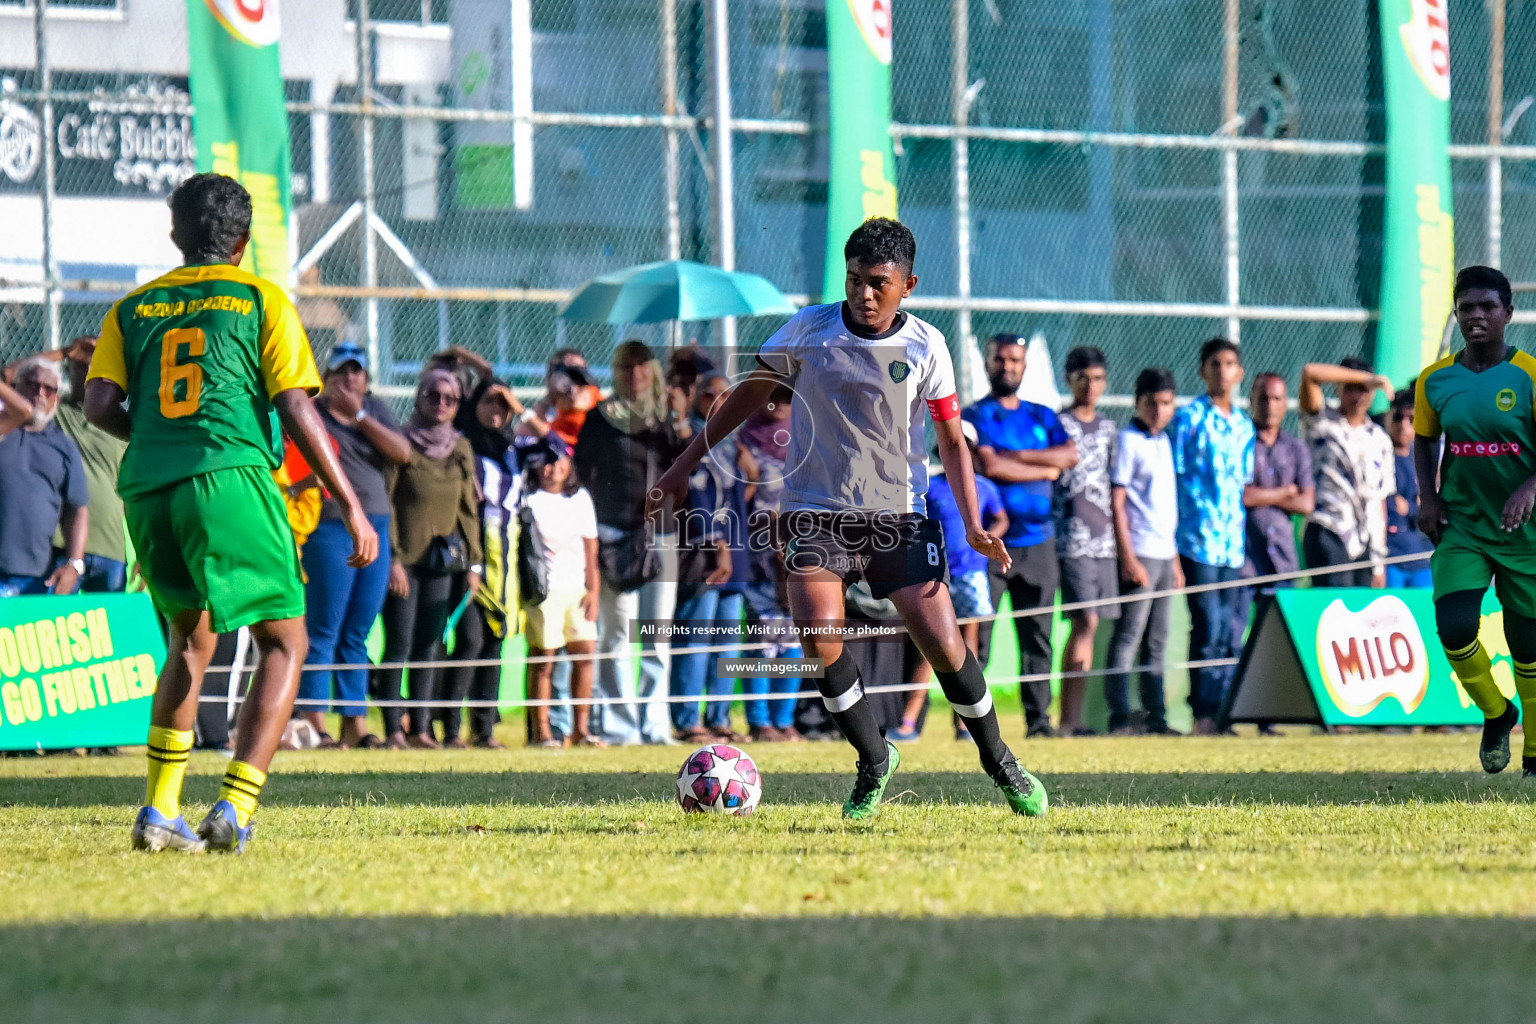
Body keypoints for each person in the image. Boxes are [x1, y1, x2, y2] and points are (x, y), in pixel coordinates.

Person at [650, 217, 1048, 820]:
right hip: (816, 513)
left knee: (943, 642)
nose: (864, 293)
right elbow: (747, 396)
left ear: (907, 285)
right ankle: (874, 760)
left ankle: (1003, 764)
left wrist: (971, 524)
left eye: (879, 283)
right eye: (855, 279)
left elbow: (952, 443)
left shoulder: (926, 346)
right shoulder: (809, 330)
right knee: (818, 639)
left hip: (898, 517)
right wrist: (683, 465)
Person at [83, 172, 378, 853]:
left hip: (150, 488)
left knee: (190, 641)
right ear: (242, 241)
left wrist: (161, 437)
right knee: (287, 640)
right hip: (230, 478)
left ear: (175, 235)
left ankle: (159, 810)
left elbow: (98, 406)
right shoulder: (257, 299)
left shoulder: (131, 308)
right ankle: (236, 807)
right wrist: (351, 505)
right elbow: (298, 406)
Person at [1413, 265, 1536, 776]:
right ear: (1457, 315)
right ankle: (1496, 711)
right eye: (1467, 308)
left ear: (1508, 313)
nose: (1477, 316)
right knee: (1456, 627)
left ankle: (1534, 754)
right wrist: (1428, 496)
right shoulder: (1434, 379)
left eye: (1488, 307)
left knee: (1529, 652)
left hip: (1523, 531)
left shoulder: (1529, 373)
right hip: (1463, 525)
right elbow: (1424, 438)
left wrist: (1530, 486)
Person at [296, 341, 412, 749]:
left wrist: (360, 416)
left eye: (356, 372)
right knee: (324, 627)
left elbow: (403, 454)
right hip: (329, 526)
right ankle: (315, 724)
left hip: (376, 525)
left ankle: (354, 723)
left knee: (358, 631)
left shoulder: (374, 410)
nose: (349, 379)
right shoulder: (310, 412)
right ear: (325, 378)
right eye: (341, 372)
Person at [575, 340, 691, 746]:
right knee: (617, 636)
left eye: (642, 366)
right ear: (617, 371)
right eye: (626, 366)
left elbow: (686, 469)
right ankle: (621, 728)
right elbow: (581, 474)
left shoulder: (666, 419)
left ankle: (656, 727)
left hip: (659, 535)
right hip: (612, 536)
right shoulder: (600, 418)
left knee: (657, 637)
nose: (635, 374)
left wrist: (678, 422)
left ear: (654, 370)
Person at [965, 333, 1079, 738]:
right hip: (989, 546)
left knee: (1038, 639)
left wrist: (1017, 459)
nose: (1007, 366)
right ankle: (969, 726)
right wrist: (1044, 467)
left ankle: (1038, 721)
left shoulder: (1042, 415)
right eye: (1000, 359)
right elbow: (990, 466)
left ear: (1024, 366)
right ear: (988, 363)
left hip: (1039, 544)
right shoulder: (975, 415)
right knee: (977, 639)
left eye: (1015, 360)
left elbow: (1069, 457)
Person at [375, 367, 483, 750]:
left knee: (429, 643)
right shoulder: (401, 442)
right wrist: (392, 559)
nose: (440, 404)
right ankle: (392, 729)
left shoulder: (460, 448)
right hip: (403, 562)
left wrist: (475, 564)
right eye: (432, 396)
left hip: (442, 563)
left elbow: (469, 510)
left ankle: (421, 728)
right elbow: (383, 502)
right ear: (419, 397)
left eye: (450, 399)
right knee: (399, 643)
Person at [1169, 338, 1254, 735]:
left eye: (1230, 364)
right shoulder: (1188, 418)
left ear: (1239, 373)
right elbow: (1174, 477)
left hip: (1232, 544)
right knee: (1205, 626)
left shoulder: (1243, 425)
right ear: (1203, 371)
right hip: (1196, 540)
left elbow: (1244, 484)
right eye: (1215, 363)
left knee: (1230, 630)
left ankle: (1225, 711)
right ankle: (1202, 712)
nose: (1223, 371)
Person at [903, 419, 1007, 742]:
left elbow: (1000, 519)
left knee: (969, 647)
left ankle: (965, 725)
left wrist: (989, 541)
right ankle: (908, 721)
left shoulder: (985, 488)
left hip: (973, 575)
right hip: (937, 576)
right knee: (930, 646)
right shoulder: (932, 487)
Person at [670, 373, 756, 743]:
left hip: (735, 557)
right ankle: (688, 718)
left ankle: (719, 715)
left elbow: (739, 496)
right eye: (711, 395)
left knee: (726, 643)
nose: (720, 403)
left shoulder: (730, 443)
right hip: (706, 559)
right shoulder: (694, 439)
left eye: (727, 396)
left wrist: (748, 470)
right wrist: (720, 550)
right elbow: (700, 503)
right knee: (696, 639)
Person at [441, 375, 525, 749]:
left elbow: (556, 448)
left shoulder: (516, 450)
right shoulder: (463, 446)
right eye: (490, 402)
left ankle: (484, 730)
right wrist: (472, 563)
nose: (497, 411)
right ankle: (450, 729)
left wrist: (520, 408)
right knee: (470, 641)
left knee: (495, 642)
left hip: (508, 557)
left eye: (503, 406)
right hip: (473, 554)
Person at [1106, 369, 1181, 735]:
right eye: (1152, 402)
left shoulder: (1165, 441)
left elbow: (1166, 507)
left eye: (1166, 403)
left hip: (1166, 554)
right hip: (1141, 552)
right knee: (1129, 637)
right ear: (1138, 401)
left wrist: (1176, 560)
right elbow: (1117, 502)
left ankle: (1157, 718)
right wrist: (1129, 556)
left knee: (1158, 640)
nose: (1159, 410)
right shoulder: (1128, 440)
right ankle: (1120, 715)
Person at [521, 437, 602, 747]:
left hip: (577, 589)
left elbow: (590, 548)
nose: (553, 467)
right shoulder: (528, 499)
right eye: (546, 460)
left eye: (559, 460)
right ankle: (542, 732)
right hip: (545, 591)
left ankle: (580, 730)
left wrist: (592, 590)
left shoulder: (580, 498)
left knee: (584, 656)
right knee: (544, 660)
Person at [1054, 346, 1118, 736]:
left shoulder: (1110, 429)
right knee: (1085, 621)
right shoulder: (1059, 424)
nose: (1090, 385)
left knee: (1095, 627)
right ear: (1069, 379)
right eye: (1083, 377)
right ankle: (1068, 720)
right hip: (1071, 539)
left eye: (1097, 378)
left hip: (1105, 542)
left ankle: (1081, 718)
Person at [738, 383, 803, 742]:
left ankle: (784, 718)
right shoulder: (745, 438)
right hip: (761, 555)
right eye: (772, 395)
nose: (779, 403)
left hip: (802, 553)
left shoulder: (807, 438)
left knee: (793, 638)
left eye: (788, 396)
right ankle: (760, 720)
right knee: (763, 638)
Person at [43, 336, 131, 592]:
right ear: (69, 369)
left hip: (112, 549)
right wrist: (63, 352)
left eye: (98, 365)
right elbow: (8, 380)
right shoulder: (54, 411)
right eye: (82, 365)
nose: (89, 372)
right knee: (56, 626)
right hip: (64, 547)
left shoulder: (123, 423)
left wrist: (148, 554)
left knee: (110, 630)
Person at [1298, 357, 1395, 587]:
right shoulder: (1321, 421)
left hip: (1364, 539)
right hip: (1328, 526)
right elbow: (1310, 372)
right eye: (1351, 388)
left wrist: (1379, 561)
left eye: (1365, 390)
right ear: (1338, 387)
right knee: (1334, 604)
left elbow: (1379, 501)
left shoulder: (1379, 438)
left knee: (1360, 611)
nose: (1358, 396)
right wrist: (1372, 379)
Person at [0, 356, 89, 598]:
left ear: (57, 399)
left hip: (35, 577)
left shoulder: (64, 447)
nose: (40, 392)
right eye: (32, 383)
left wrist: (74, 564)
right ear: (15, 386)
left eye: (49, 389)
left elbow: (78, 509)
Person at [1386, 388, 1432, 588]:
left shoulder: (1425, 457)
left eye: (1411, 419)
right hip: (1390, 558)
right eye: (1397, 417)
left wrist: (1411, 507)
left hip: (1422, 558)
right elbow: (1387, 504)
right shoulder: (1378, 453)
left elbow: (1431, 508)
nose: (1403, 425)